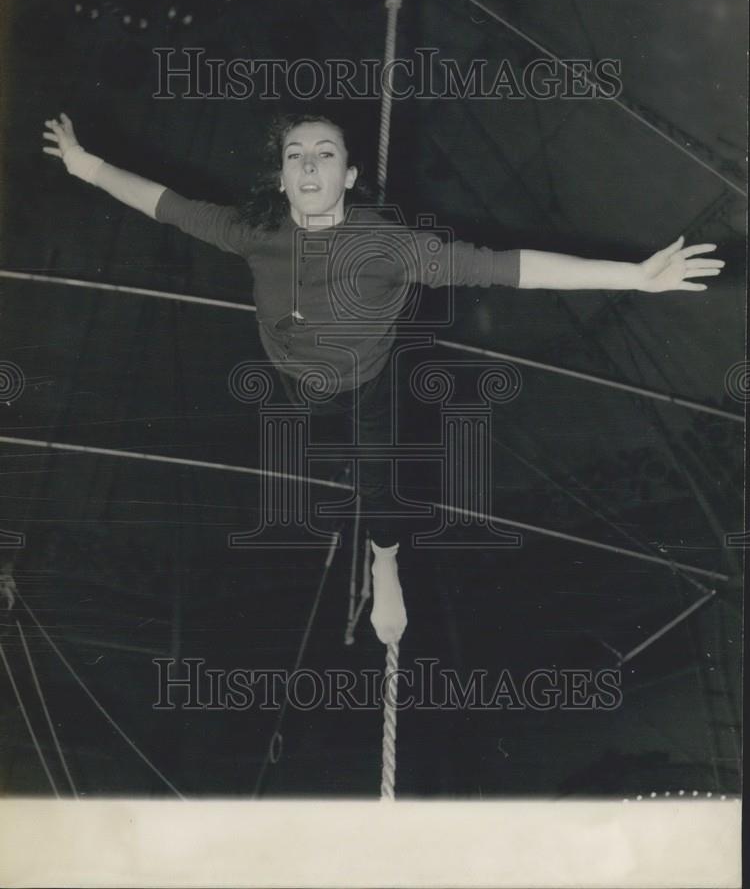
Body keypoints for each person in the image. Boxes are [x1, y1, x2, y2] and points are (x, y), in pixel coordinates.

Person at [42, 111, 725, 644]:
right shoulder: (253, 231)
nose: (309, 164)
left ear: (349, 175)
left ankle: (385, 561)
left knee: (382, 478)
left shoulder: (390, 245)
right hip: (296, 386)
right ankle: (347, 488)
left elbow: (509, 267)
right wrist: (84, 164)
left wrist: (634, 277)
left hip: (367, 385)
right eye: (295, 155)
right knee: (314, 441)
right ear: (282, 180)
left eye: (325, 154)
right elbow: (165, 203)